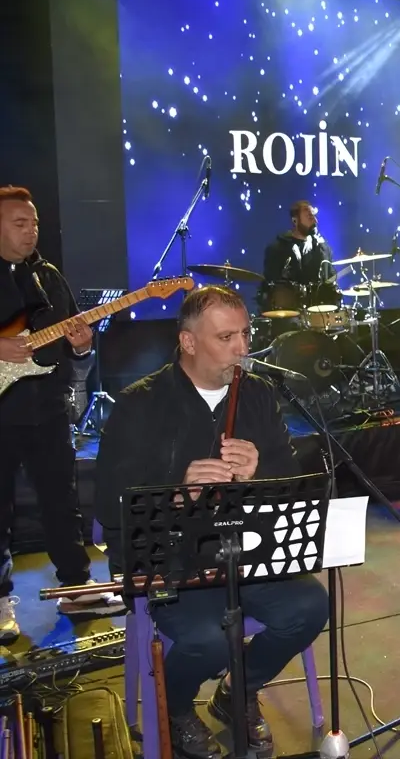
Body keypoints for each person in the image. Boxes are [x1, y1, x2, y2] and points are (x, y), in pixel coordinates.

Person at [94, 285, 329, 759]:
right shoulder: (140, 403)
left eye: (245, 334)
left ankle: (238, 689)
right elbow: (108, 501)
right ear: (188, 342)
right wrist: (178, 490)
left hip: (246, 551)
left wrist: (260, 470)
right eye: (226, 338)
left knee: (309, 607)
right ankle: (177, 707)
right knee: (211, 637)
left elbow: (289, 480)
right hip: (171, 557)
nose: (242, 348)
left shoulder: (258, 395)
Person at [0, 185, 124, 643]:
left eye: (34, 223)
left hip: (48, 408)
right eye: (20, 223)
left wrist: (83, 346)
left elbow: (74, 350)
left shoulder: (49, 277)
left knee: (62, 501)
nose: (31, 231)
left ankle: (76, 586)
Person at [259, 200, 337, 313]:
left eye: (314, 217)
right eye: (309, 216)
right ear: (295, 220)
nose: (314, 220)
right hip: (289, 311)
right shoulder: (278, 248)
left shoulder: (322, 248)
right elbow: (271, 282)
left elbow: (330, 278)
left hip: (318, 311)